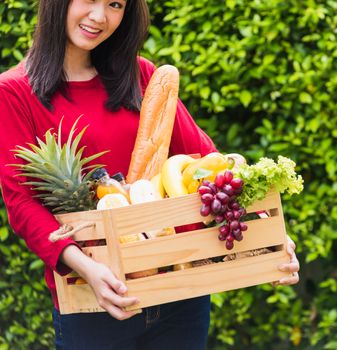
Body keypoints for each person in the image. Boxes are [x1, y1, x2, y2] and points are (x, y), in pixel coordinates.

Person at [0, 0, 300, 349]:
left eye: (115, 4)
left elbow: (209, 161)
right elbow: (22, 203)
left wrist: (268, 233)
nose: (99, 17)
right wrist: (88, 269)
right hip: (95, 298)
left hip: (181, 290)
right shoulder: (14, 92)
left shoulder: (142, 75)